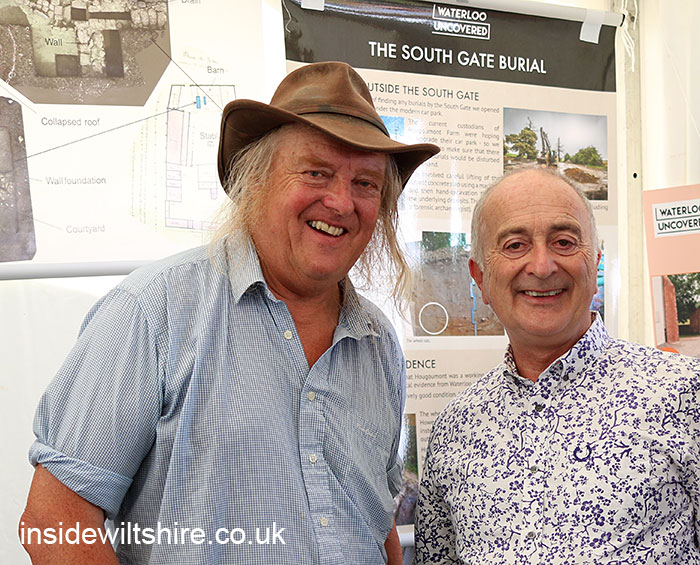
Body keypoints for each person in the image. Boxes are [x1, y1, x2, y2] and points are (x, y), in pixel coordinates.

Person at [20, 61, 439, 564]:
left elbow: (376, 519)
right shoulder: (154, 311)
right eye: (316, 172)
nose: (340, 202)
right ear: (255, 181)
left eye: (366, 183)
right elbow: (55, 522)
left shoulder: (379, 342)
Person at [414, 168, 700, 564]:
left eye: (564, 242)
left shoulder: (684, 395)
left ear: (595, 264)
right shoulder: (454, 430)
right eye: (515, 245)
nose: (542, 266)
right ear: (480, 277)